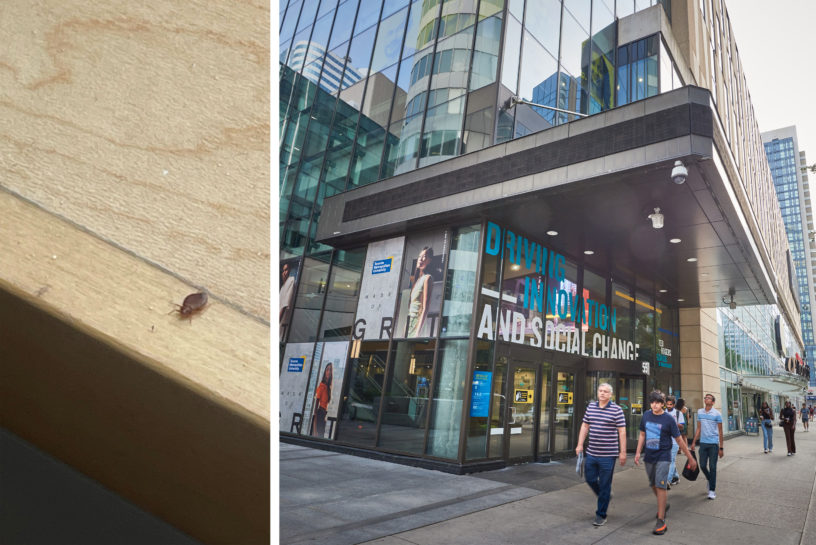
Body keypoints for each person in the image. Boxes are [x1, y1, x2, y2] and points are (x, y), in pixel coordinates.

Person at [635, 390, 697, 536]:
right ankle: (663, 503)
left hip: (664, 456)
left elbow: (679, 440)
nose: (654, 405)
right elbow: (642, 434)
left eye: (657, 402)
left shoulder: (669, 419)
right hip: (649, 456)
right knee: (653, 484)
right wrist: (638, 452)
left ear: (663, 404)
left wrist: (690, 457)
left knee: (661, 485)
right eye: (652, 402)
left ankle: (661, 520)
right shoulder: (646, 415)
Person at [575, 383, 627, 527]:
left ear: (610, 395)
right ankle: (605, 495)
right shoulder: (591, 407)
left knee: (605, 484)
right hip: (592, 452)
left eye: (605, 392)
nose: (602, 393)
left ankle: (601, 514)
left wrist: (622, 452)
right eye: (600, 391)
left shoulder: (617, 410)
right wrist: (580, 444)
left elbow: (622, 431)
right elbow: (585, 426)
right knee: (590, 478)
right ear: (597, 392)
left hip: (608, 455)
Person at [691, 393, 723, 500]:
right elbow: (699, 428)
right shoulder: (700, 412)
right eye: (705, 397)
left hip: (714, 444)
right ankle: (710, 479)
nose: (706, 399)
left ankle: (712, 490)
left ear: (713, 402)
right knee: (703, 465)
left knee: (713, 467)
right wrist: (694, 442)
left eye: (709, 398)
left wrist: (721, 448)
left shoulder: (717, 414)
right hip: (703, 443)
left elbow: (720, 431)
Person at [406, 247, 433, 337]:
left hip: (416, 323)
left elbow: (425, 308)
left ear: (429, 260)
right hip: (409, 323)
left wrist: (417, 333)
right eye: (419, 256)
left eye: (424, 256)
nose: (420, 259)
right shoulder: (416, 281)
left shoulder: (427, 278)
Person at [311, 363, 333, 438]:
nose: (329, 372)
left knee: (321, 434)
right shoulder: (322, 385)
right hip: (320, 413)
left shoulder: (328, 387)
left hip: (323, 413)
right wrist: (315, 415)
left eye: (330, 370)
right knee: (319, 435)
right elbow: (317, 399)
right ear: (325, 372)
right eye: (327, 370)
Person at [279, 262, 296, 339]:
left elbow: (285, 304)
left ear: (290, 270)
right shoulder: (283, 286)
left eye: (286, 270)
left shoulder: (291, 280)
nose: (284, 273)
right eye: (283, 271)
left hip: (282, 319)